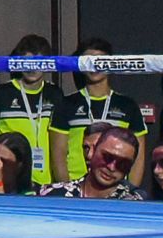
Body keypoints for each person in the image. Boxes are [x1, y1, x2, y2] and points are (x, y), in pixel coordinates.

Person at [48, 38, 147, 187]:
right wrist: (69, 190)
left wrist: (129, 192)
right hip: (77, 187)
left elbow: (138, 157)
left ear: (110, 64)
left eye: (99, 61)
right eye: (89, 60)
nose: (94, 66)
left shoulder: (127, 105)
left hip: (116, 186)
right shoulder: (66, 104)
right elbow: (58, 154)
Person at [0, 34, 64, 188]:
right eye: (26, 62)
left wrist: (61, 184)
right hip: (9, 183)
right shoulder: (3, 93)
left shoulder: (54, 93)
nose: (32, 68)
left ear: (48, 63)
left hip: (46, 185)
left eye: (37, 62)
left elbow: (60, 145)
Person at [39, 126, 144, 200]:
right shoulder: (53, 194)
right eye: (107, 157)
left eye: (122, 164)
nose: (111, 167)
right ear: (92, 152)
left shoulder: (135, 204)